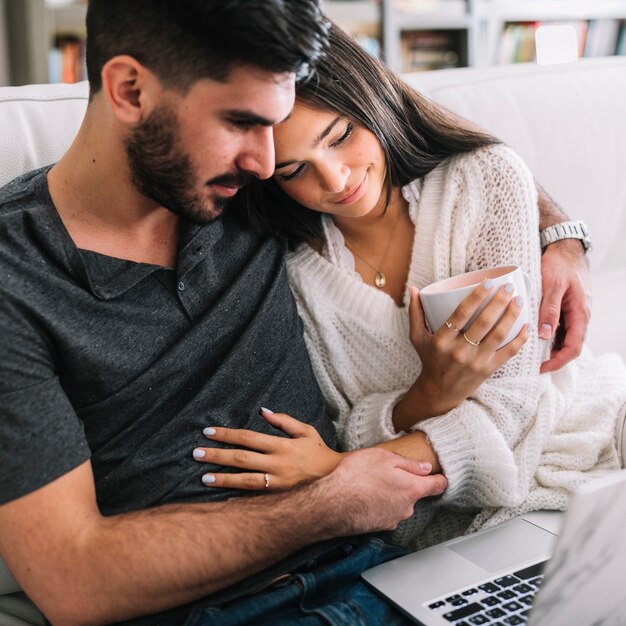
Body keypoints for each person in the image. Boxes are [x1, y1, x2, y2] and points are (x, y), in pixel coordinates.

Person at [0, 3, 599, 625]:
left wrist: (561, 236)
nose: (266, 162)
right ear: (130, 90)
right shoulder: (18, 276)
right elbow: (74, 583)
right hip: (229, 609)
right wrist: (336, 497)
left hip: (390, 569)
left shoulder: (248, 190)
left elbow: (412, 134)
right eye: (242, 123)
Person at [198, 23, 626, 550]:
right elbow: (345, 418)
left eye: (340, 137)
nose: (335, 180)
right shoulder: (292, 273)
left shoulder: (483, 179)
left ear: (372, 97)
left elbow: (512, 403)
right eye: (294, 170)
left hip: (587, 431)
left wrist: (345, 470)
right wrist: (431, 392)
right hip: (438, 522)